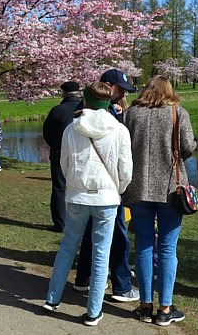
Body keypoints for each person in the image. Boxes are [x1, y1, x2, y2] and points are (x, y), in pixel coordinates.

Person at [42, 82, 133, 326]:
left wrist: (75, 184)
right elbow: (126, 170)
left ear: (85, 99)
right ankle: (93, 311)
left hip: (77, 196)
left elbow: (64, 164)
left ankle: (52, 298)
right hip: (106, 198)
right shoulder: (120, 130)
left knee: (68, 247)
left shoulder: (72, 129)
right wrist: (118, 190)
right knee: (101, 253)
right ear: (108, 103)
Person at [123, 76, 196, 326]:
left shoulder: (131, 114)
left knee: (143, 245)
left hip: (137, 187)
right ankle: (164, 308)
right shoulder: (178, 112)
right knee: (167, 247)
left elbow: (124, 146)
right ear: (169, 91)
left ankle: (145, 306)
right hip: (170, 189)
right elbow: (187, 147)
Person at [74, 69, 138, 301]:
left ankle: (83, 278)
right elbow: (123, 161)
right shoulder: (112, 122)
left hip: (83, 187)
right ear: (108, 86)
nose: (122, 94)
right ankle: (121, 286)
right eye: (120, 90)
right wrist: (121, 188)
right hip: (109, 187)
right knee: (118, 235)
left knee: (89, 232)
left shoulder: (80, 117)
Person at [42, 81, 82, 232]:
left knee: (59, 188)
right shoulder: (85, 110)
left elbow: (47, 132)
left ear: (64, 93)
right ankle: (79, 221)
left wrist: (55, 144)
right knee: (80, 187)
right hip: (82, 154)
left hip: (59, 153)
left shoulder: (57, 110)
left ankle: (60, 223)